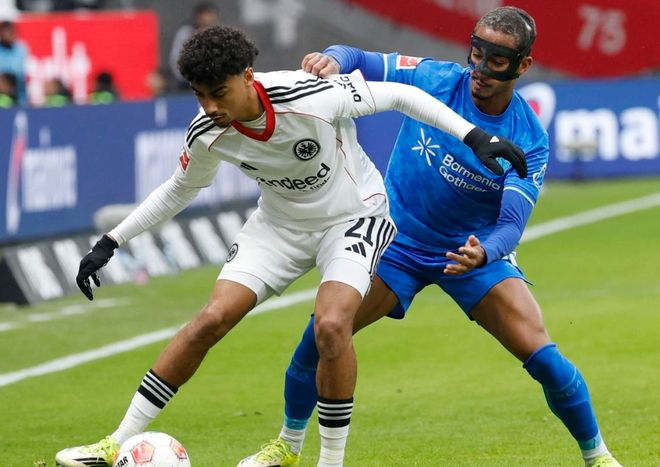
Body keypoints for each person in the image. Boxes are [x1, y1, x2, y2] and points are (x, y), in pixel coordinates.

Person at [54, 25, 525, 467]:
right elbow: (180, 189)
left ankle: (330, 461)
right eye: (200, 95)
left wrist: (474, 136)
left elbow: (401, 95)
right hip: (279, 226)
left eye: (219, 92)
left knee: (332, 326)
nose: (210, 106)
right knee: (210, 320)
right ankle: (114, 443)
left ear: (247, 77)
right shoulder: (206, 131)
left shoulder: (308, 94)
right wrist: (112, 241)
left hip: (353, 217)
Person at [239, 7, 622, 467]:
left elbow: (511, 226)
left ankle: (599, 457)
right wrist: (333, 59)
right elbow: (360, 57)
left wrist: (486, 253)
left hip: (469, 255)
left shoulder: (529, 138)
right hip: (394, 242)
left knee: (543, 357)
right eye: (476, 54)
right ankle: (288, 445)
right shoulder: (436, 79)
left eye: (497, 61)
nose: (481, 69)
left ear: (522, 65)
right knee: (322, 335)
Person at [168, 1, 220, 90]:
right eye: (204, 15)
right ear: (197, 17)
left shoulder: (221, 34)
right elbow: (175, 61)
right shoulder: (186, 33)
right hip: (189, 83)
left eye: (210, 15)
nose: (207, 19)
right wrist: (190, 77)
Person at [0, 20, 29, 105]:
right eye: (7, 32)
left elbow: (22, 72)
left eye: (12, 31)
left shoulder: (21, 48)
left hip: (19, 95)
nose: (10, 34)